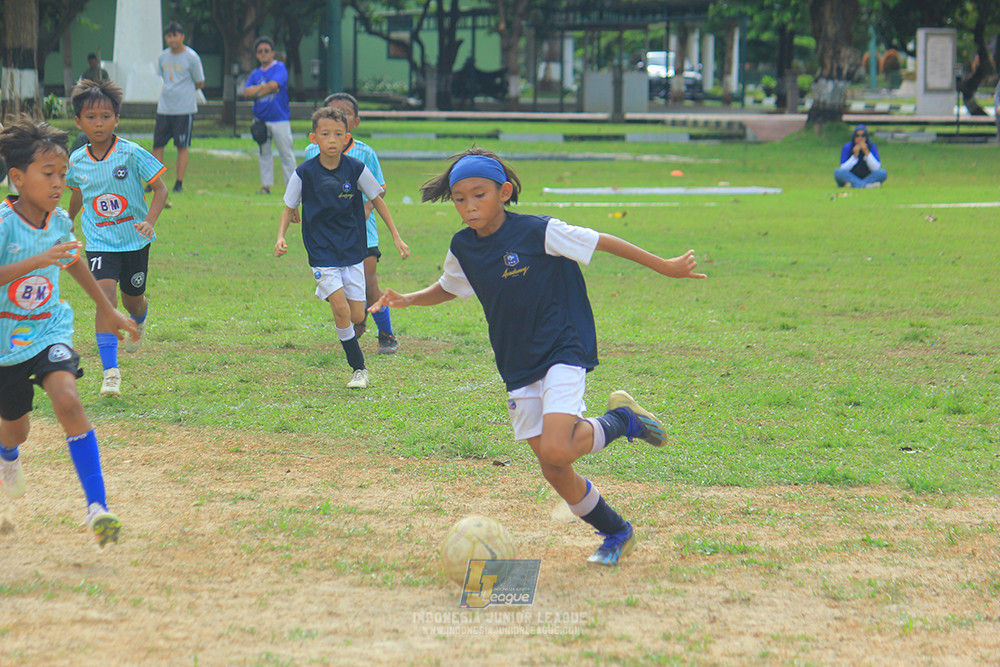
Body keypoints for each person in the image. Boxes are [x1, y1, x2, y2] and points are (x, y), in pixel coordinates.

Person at [369, 148, 706, 565]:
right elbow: (452, 286)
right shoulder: (463, 246)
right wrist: (408, 299)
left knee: (558, 450)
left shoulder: (539, 231)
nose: (469, 206)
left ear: (504, 192)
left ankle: (624, 420)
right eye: (460, 198)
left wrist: (664, 266)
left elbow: (601, 240)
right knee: (553, 468)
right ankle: (617, 532)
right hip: (516, 359)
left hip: (563, 346)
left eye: (479, 195)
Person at [0, 116, 138, 547]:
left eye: (63, 174)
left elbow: (73, 261)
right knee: (15, 430)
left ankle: (97, 506)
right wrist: (38, 261)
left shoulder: (59, 219)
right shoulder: (4, 223)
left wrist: (107, 309)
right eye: (49, 174)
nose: (59, 182)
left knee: (67, 397)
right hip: (5, 342)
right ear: (17, 178)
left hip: (48, 330)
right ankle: (7, 454)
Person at [274, 107, 409, 388]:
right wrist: (280, 236)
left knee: (358, 315)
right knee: (341, 311)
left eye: (338, 134)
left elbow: (378, 199)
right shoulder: (304, 173)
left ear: (347, 137)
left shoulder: (356, 169)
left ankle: (327, 290)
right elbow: (289, 206)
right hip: (322, 251)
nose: (332, 139)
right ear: (314, 138)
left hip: (352, 250)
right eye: (325, 134)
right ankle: (359, 369)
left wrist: (396, 236)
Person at [66, 79, 168, 398]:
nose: (99, 123)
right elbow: (79, 193)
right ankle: (111, 373)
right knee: (105, 297)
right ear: (79, 122)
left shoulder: (131, 153)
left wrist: (149, 221)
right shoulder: (76, 160)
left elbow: (161, 189)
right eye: (92, 117)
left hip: (135, 241)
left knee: (131, 299)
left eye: (106, 116)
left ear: (117, 119)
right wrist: (68, 222)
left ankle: (137, 321)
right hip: (99, 241)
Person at [303, 93, 398, 354]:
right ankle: (357, 320)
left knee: (369, 282)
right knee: (338, 283)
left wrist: (366, 207)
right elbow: (308, 184)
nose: (337, 117)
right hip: (327, 233)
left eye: (343, 114)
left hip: (361, 230)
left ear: (354, 123)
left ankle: (385, 332)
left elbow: (380, 189)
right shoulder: (312, 151)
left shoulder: (365, 153)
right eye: (331, 112)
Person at [152, 21, 205, 195]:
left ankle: (178, 183)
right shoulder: (163, 57)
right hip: (164, 108)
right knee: (158, 145)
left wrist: (184, 91)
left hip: (184, 109)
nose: (172, 39)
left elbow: (200, 82)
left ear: (182, 36)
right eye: (169, 35)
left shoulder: (191, 57)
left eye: (175, 35)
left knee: (182, 146)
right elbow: (162, 76)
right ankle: (154, 181)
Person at [244, 36, 296, 195]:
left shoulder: (280, 67)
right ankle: (265, 186)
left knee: (286, 153)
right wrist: (266, 89)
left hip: (280, 119)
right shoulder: (255, 73)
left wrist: (257, 90)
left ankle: (292, 187)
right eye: (260, 51)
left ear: (273, 52)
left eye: (266, 51)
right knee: (264, 154)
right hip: (261, 120)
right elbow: (246, 92)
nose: (263, 54)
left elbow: (275, 85)